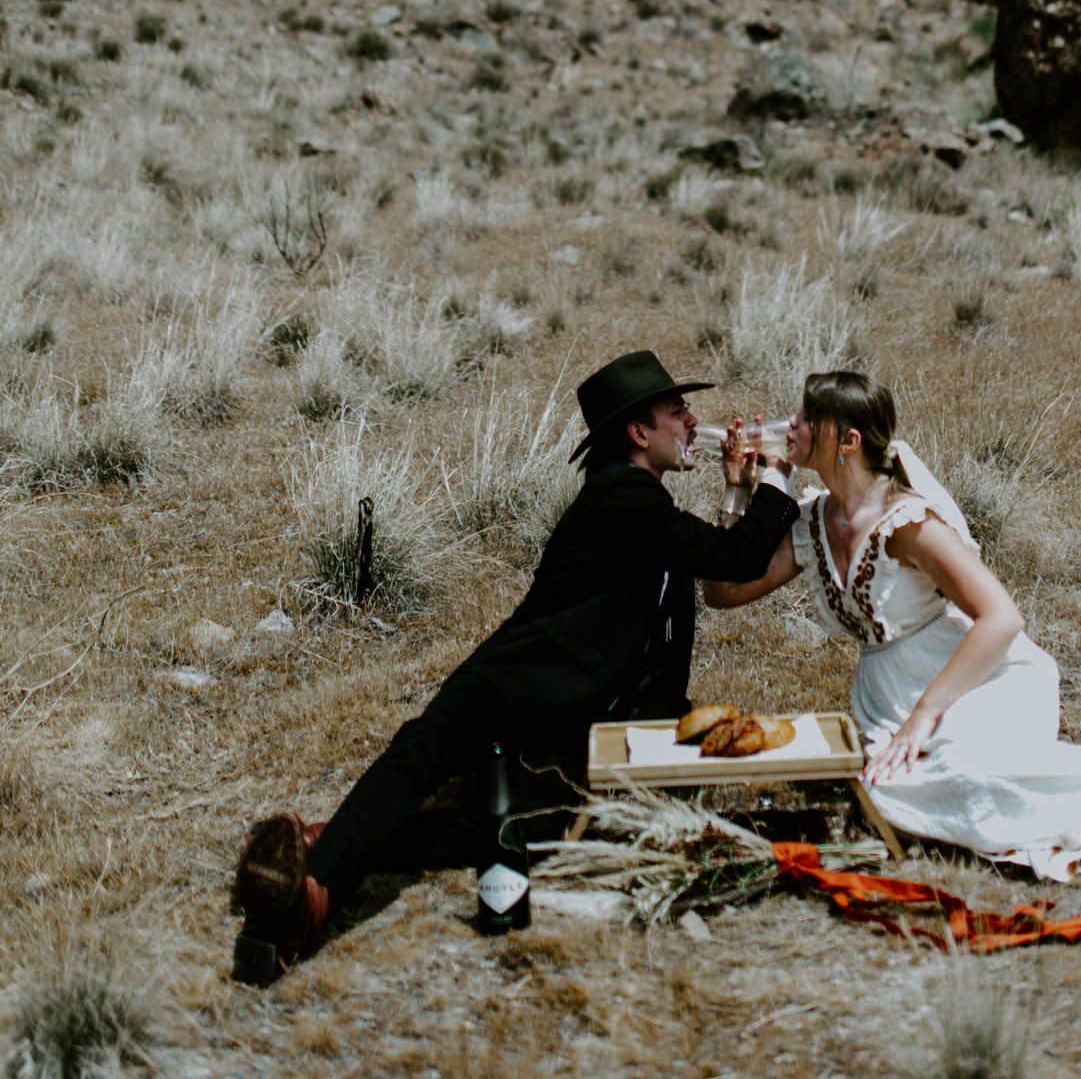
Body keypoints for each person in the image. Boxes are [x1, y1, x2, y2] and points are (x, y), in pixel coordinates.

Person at [232, 350, 797, 977]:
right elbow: (739, 557)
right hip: (511, 683)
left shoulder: (642, 502)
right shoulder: (621, 494)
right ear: (639, 432)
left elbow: (713, 557)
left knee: (523, 826)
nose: (692, 421)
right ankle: (308, 902)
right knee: (420, 756)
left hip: (557, 703)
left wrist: (737, 489)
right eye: (677, 411)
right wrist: (779, 473)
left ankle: (312, 844)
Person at [704, 369, 1081, 881]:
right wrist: (739, 487)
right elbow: (722, 591)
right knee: (893, 792)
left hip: (972, 680)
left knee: (972, 785)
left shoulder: (908, 522)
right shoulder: (815, 521)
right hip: (885, 697)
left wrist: (925, 716)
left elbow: (1002, 618)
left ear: (847, 441)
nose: (791, 424)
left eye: (807, 416)